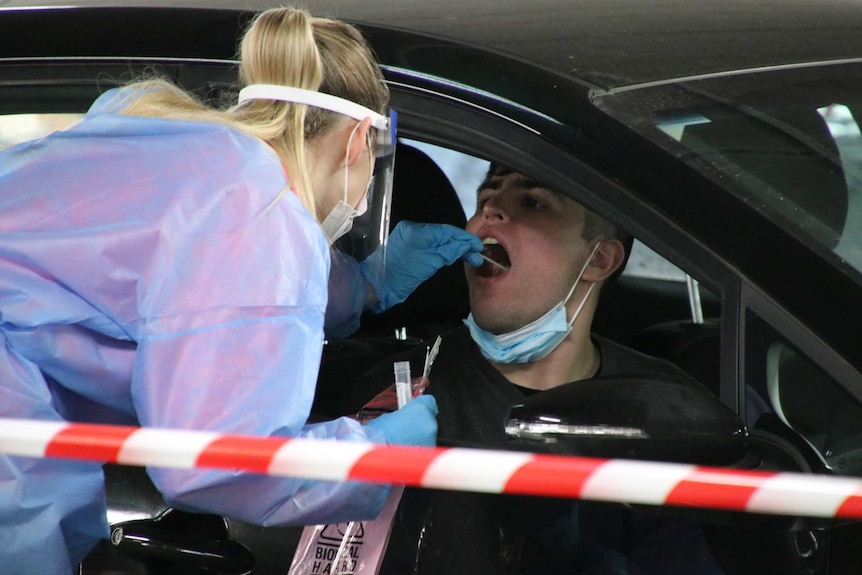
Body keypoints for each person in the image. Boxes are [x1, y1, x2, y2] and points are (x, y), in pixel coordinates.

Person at [0, 7, 484, 574]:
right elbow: (211, 462)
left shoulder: (181, 138)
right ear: (360, 141)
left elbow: (205, 282)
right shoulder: (257, 210)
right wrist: (374, 454)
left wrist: (363, 286)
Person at [345, 164, 725, 574]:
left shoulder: (669, 411)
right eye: (485, 197)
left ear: (598, 258)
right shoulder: (388, 400)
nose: (491, 210)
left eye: (533, 202)